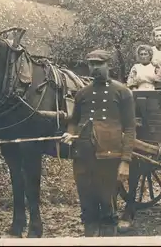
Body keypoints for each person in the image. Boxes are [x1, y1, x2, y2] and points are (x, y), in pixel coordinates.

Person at [61, 49, 136, 237]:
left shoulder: (122, 92)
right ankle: (90, 236)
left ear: (108, 65)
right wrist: (70, 134)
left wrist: (125, 161)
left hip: (109, 156)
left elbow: (129, 128)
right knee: (86, 201)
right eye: (91, 64)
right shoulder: (82, 94)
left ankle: (109, 237)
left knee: (107, 202)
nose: (94, 68)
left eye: (98, 64)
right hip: (83, 155)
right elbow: (74, 121)